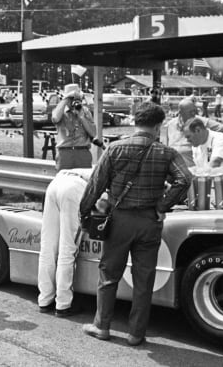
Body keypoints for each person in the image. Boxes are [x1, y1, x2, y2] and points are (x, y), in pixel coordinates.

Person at [79, 102, 191, 346]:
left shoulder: (114, 149)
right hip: (150, 221)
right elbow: (185, 179)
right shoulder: (166, 152)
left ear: (134, 120)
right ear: (158, 126)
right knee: (144, 279)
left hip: (119, 220)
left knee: (109, 275)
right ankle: (136, 334)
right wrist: (162, 206)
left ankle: (102, 326)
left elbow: (94, 186)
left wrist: (85, 215)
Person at [38, 167, 92, 317]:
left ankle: (44, 299)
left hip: (55, 183)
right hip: (75, 188)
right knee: (68, 248)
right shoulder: (106, 169)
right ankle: (63, 304)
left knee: (47, 246)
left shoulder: (88, 166)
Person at [162, 97, 223, 167]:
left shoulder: (200, 121)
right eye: (190, 112)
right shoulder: (170, 124)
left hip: (193, 169)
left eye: (194, 111)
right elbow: (165, 147)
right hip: (173, 168)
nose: (194, 114)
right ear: (180, 112)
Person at [51, 84, 97, 170]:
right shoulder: (60, 111)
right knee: (64, 181)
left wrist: (82, 117)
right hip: (65, 153)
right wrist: (65, 100)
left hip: (82, 152)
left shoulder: (85, 112)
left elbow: (93, 133)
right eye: (71, 98)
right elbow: (55, 118)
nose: (74, 101)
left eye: (76, 98)